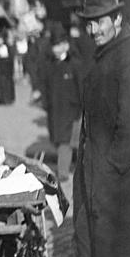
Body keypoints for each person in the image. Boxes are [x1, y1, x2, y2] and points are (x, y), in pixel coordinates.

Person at [59, 0, 130, 257]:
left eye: (100, 22)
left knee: (127, 232)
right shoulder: (105, 52)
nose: (94, 29)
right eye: (90, 23)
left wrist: (113, 165)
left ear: (118, 19)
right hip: (99, 161)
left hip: (122, 167)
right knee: (95, 228)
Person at [41, 26, 83, 183]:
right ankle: (69, 167)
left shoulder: (75, 64)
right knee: (58, 141)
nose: (57, 49)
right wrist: (45, 104)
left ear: (66, 44)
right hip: (55, 110)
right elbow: (45, 86)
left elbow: (81, 88)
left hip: (72, 111)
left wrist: (81, 107)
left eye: (60, 44)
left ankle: (63, 173)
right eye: (54, 45)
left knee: (67, 142)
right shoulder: (50, 65)